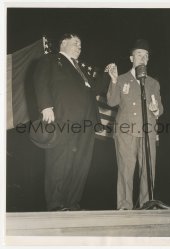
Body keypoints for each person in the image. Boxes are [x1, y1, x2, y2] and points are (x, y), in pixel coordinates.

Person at [33, 33, 106, 211]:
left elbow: (94, 89)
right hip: (64, 117)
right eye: (76, 43)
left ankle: (72, 203)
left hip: (87, 122)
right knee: (60, 160)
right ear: (63, 43)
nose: (79, 47)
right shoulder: (51, 60)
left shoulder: (80, 69)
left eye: (80, 45)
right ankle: (56, 204)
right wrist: (45, 106)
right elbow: (40, 79)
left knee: (81, 163)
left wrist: (107, 75)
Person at [106, 39, 164, 210]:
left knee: (148, 171)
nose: (143, 58)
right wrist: (114, 81)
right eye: (139, 54)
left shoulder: (153, 82)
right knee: (126, 170)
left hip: (148, 130)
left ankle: (147, 204)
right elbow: (111, 102)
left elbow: (160, 108)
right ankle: (124, 206)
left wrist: (155, 110)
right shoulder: (121, 79)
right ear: (131, 58)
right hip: (126, 131)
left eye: (146, 56)